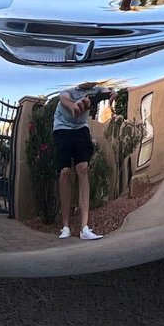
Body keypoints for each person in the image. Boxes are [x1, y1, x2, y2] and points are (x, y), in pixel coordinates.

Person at [52, 83, 101, 240]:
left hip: (81, 128)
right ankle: (65, 226)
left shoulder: (95, 87)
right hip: (62, 128)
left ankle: (84, 228)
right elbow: (64, 99)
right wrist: (74, 105)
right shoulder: (69, 86)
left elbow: (106, 91)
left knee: (83, 168)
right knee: (65, 171)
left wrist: (111, 93)